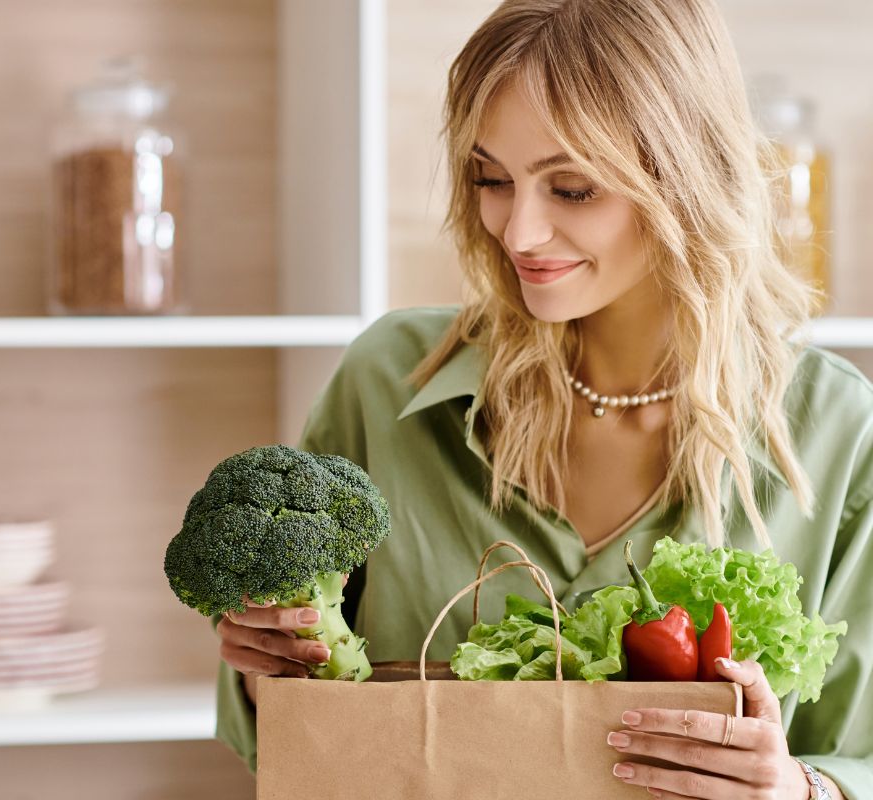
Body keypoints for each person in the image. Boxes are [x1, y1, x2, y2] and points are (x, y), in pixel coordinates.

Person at [213, 0, 873, 796]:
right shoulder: (388, 381)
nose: (518, 231)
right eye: (492, 179)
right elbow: (297, 744)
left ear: (687, 176)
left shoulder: (838, 432)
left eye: (572, 188)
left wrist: (798, 789)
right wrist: (269, 667)